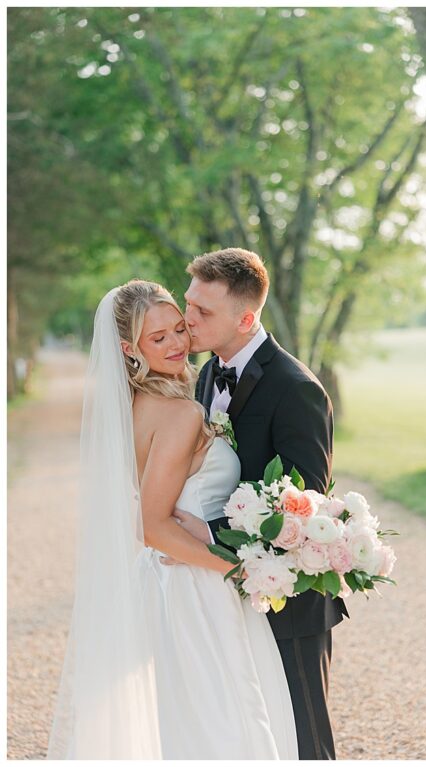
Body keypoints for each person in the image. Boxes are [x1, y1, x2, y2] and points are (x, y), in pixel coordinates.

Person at [48, 280, 296, 759]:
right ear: (129, 349)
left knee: (186, 721)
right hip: (196, 586)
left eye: (179, 329)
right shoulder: (179, 413)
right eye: (157, 339)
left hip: (166, 583)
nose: (178, 344)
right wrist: (240, 572)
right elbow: (152, 525)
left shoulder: (135, 407)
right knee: (224, 724)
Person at [170, 247, 347, 760]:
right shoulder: (206, 374)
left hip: (289, 602)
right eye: (189, 303)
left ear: (246, 318)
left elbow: (305, 506)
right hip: (226, 592)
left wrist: (211, 532)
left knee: (304, 737)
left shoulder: (297, 390)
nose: (188, 319)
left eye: (203, 312)